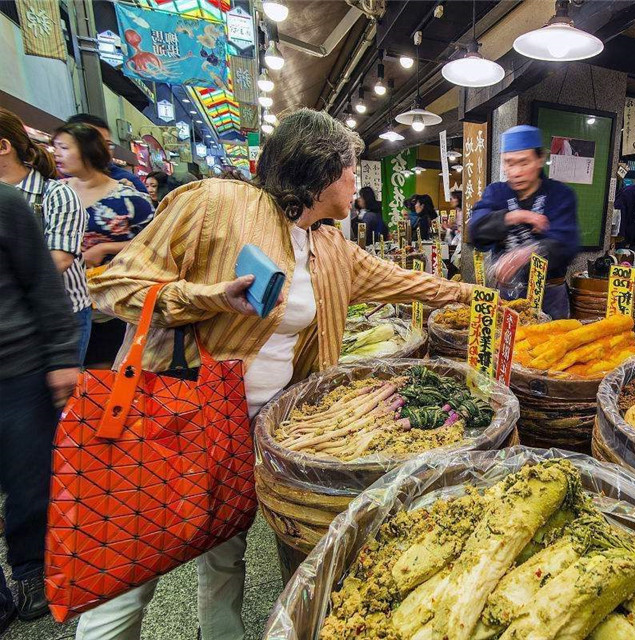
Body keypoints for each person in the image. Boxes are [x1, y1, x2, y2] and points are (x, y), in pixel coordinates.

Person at [81, 108, 471, 640]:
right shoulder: (214, 203)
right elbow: (115, 285)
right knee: (130, 567)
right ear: (320, 169)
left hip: (251, 429)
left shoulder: (328, 244)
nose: (357, 180)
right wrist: (207, 297)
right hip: (174, 416)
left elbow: (403, 281)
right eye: (351, 168)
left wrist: (480, 296)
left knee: (226, 552)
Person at [0, 182, 80, 628]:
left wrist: (63, 358)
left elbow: (43, 286)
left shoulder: (7, 204)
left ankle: (32, 572)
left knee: (30, 482)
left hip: (18, 369)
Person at [53, 122, 154, 368]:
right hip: (63, 301)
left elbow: (155, 241)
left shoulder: (129, 198)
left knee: (104, 374)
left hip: (114, 302)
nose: (56, 153)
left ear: (88, 151)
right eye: (55, 147)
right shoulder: (53, 193)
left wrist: (105, 249)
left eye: (64, 147)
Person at [0, 108, 92, 361]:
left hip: (59, 318)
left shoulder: (56, 194)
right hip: (10, 319)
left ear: (4, 146)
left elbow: (59, 260)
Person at [470, 124, 579, 319]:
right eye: (509, 163)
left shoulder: (561, 195)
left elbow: (566, 244)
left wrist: (527, 254)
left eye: (523, 162)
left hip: (550, 295)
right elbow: (476, 231)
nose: (515, 172)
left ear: (540, 159)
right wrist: (515, 216)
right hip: (506, 293)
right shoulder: (496, 192)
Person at [65, 114, 148, 193]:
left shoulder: (129, 184)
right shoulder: (57, 183)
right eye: (93, 143)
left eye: (107, 144)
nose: (102, 150)